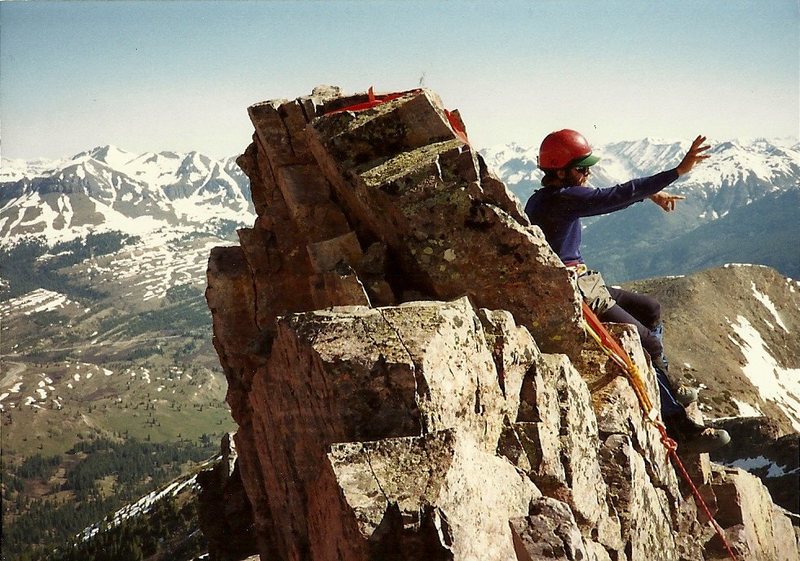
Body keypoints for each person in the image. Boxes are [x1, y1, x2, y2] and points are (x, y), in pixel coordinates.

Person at [525, 129, 730, 453]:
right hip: (575, 289)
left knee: (650, 309)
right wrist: (676, 173)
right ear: (560, 171)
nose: (588, 173)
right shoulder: (563, 199)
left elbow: (612, 195)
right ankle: (679, 424)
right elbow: (616, 195)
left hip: (585, 281)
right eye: (582, 168)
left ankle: (667, 386)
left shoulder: (549, 196)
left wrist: (650, 195)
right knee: (646, 340)